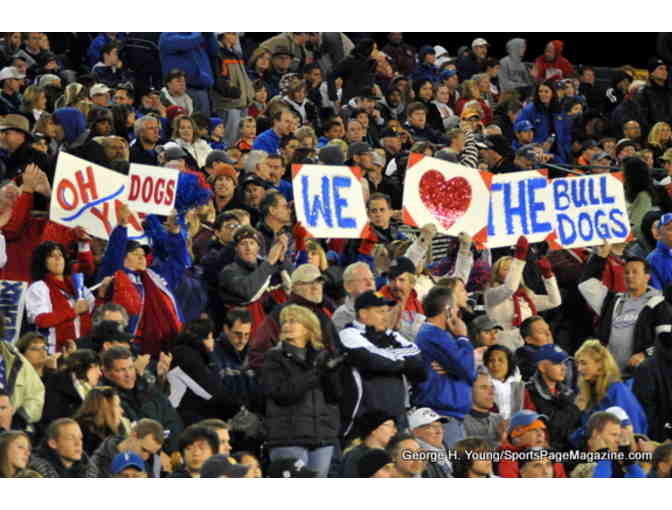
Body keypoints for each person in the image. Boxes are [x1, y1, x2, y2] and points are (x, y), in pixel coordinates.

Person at [262, 305, 343, 478]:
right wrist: (316, 373)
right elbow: (281, 393)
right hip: (288, 438)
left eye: (293, 321)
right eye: (284, 322)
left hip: (322, 437)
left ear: (307, 327)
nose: (287, 325)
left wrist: (332, 373)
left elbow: (335, 396)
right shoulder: (273, 357)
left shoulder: (322, 356)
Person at [97, 204, 186, 356]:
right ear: (123, 257)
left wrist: (175, 233)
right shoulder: (117, 276)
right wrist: (122, 226)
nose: (141, 257)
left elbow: (178, 263)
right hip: (134, 346)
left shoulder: (156, 277)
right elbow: (113, 255)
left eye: (143, 254)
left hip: (168, 344)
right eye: (135, 253)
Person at [339, 290, 426, 435]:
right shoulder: (348, 334)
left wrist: (391, 357)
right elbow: (375, 362)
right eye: (380, 312)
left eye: (387, 311)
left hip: (397, 417)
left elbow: (420, 367)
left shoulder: (392, 335)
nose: (386, 317)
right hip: (365, 420)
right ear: (363, 314)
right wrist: (402, 358)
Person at [580, 246, 671, 375]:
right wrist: (599, 257)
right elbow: (586, 284)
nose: (630, 276)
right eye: (626, 272)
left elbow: (667, 341)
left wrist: (645, 354)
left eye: (635, 272)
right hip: (609, 375)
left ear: (647, 277)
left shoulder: (659, 304)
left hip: (642, 376)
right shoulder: (611, 301)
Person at [412, 286, 475, 448]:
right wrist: (463, 337)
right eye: (455, 308)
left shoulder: (441, 335)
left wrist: (454, 369)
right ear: (447, 311)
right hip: (442, 415)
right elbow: (468, 370)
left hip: (451, 414)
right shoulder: (432, 334)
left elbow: (464, 368)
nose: (458, 312)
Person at [248, 263, 339, 370]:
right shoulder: (282, 313)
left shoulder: (323, 313)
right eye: (309, 283)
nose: (316, 287)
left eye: (319, 282)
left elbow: (336, 351)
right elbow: (258, 355)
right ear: (295, 287)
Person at [484, 236, 562, 352]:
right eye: (506, 269)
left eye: (513, 269)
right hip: (504, 347)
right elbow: (510, 287)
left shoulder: (525, 296)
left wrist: (548, 276)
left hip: (531, 346)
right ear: (496, 273)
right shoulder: (491, 294)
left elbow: (554, 301)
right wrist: (519, 258)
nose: (511, 272)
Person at [101, 347, 183, 453]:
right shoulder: (107, 400)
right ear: (106, 373)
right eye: (121, 370)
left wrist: (171, 451)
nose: (128, 374)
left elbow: (173, 422)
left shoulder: (149, 389)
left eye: (130, 368)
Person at [570, 339, 648, 448]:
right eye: (578, 364)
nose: (579, 369)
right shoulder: (587, 392)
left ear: (600, 364)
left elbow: (633, 431)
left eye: (584, 363)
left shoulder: (617, 390)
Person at [167, 318, 241, 426]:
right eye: (211, 337)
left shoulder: (192, 355)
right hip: (189, 421)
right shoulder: (187, 358)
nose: (213, 342)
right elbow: (210, 391)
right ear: (204, 338)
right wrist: (238, 410)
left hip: (190, 416)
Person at [218, 226, 290, 335]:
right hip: (242, 336)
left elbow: (292, 288)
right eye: (243, 244)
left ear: (258, 247)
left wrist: (282, 259)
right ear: (236, 248)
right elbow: (249, 292)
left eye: (252, 243)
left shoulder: (267, 266)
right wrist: (270, 262)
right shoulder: (228, 272)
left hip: (269, 334)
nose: (248, 248)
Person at [523, 344, 581, 452]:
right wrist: (574, 411)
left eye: (564, 363)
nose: (564, 368)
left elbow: (574, 425)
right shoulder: (529, 392)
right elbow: (553, 427)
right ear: (542, 367)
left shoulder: (568, 392)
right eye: (557, 363)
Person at [40, 349, 101, 430]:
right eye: (96, 367)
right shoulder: (57, 385)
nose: (100, 373)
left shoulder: (89, 389)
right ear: (85, 367)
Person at [515, 81, 572, 164]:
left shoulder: (559, 110)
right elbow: (519, 131)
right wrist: (535, 148)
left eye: (546, 91)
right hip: (537, 154)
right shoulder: (529, 110)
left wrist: (566, 151)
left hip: (558, 153)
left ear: (552, 93)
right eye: (540, 91)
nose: (542, 94)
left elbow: (566, 133)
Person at [496, 410, 566, 478]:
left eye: (542, 429)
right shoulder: (508, 461)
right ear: (516, 435)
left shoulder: (552, 458)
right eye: (533, 429)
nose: (540, 434)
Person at [29, 418, 98, 478]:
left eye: (80, 438)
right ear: (53, 443)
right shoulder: (35, 471)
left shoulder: (89, 470)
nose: (78, 443)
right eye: (71, 438)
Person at [585, 411, 646, 478]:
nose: (618, 440)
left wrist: (629, 463)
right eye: (613, 435)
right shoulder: (580, 460)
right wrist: (603, 456)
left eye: (619, 435)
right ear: (596, 434)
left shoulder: (612, 461)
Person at [0, 339, 44, 429]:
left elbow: (36, 395)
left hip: (13, 430)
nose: (42, 352)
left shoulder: (15, 357)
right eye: (34, 349)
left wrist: (20, 418)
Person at [73, 386, 129, 455]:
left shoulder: (118, 430)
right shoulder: (88, 433)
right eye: (117, 406)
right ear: (106, 408)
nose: (122, 411)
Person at [339, 411, 397, 477]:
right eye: (390, 426)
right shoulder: (355, 456)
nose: (394, 431)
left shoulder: (389, 454)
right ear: (374, 429)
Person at [464, 370, 505, 448]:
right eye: (484, 387)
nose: (491, 392)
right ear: (469, 391)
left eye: (492, 387)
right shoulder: (460, 423)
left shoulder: (500, 420)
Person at [407, 407, 451, 477]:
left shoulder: (446, 449)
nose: (439, 431)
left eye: (440, 426)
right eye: (432, 427)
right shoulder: (415, 459)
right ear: (415, 432)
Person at [484, 344, 524, 420]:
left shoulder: (519, 386)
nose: (495, 364)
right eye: (491, 360)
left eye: (501, 360)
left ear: (509, 364)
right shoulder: (480, 387)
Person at [332, 262, 376, 330]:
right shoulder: (342, 315)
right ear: (348, 286)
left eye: (372, 279)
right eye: (364, 280)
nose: (370, 283)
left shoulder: (384, 308)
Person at [637, 57, 672, 133]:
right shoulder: (644, 92)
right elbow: (642, 118)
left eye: (665, 69)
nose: (665, 71)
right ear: (652, 73)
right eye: (660, 69)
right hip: (655, 132)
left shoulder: (669, 91)